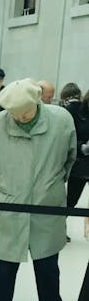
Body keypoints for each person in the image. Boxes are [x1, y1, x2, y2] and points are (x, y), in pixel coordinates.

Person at [0, 78, 85, 301]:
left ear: (38, 101)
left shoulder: (61, 120)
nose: (20, 118)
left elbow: (69, 159)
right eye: (15, 113)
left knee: (48, 271)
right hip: (9, 208)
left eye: (26, 112)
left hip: (46, 209)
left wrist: (52, 189)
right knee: (5, 269)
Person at [64, 85, 89, 213]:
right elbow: (65, 136)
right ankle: (57, 229)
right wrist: (81, 147)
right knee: (71, 201)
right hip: (79, 164)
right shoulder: (74, 110)